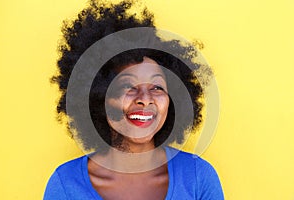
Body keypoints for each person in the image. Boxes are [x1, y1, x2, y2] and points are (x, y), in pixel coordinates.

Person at [44, 0, 224, 199]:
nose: (145, 99)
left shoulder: (198, 177)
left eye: (157, 87)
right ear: (98, 97)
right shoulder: (66, 184)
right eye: (127, 87)